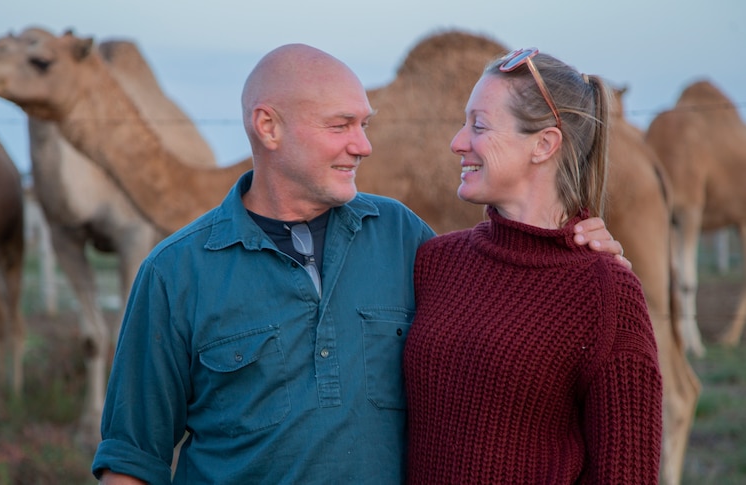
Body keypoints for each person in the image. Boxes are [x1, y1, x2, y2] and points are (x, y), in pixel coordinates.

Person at [91, 44, 628, 484]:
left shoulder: (403, 238)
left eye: (364, 124)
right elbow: (132, 462)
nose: (364, 145)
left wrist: (582, 258)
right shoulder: (174, 273)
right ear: (268, 127)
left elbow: (508, 286)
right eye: (341, 125)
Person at [403, 48, 664, 483]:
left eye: (479, 126)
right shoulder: (435, 262)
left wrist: (601, 277)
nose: (457, 142)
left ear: (543, 144)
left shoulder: (607, 295)